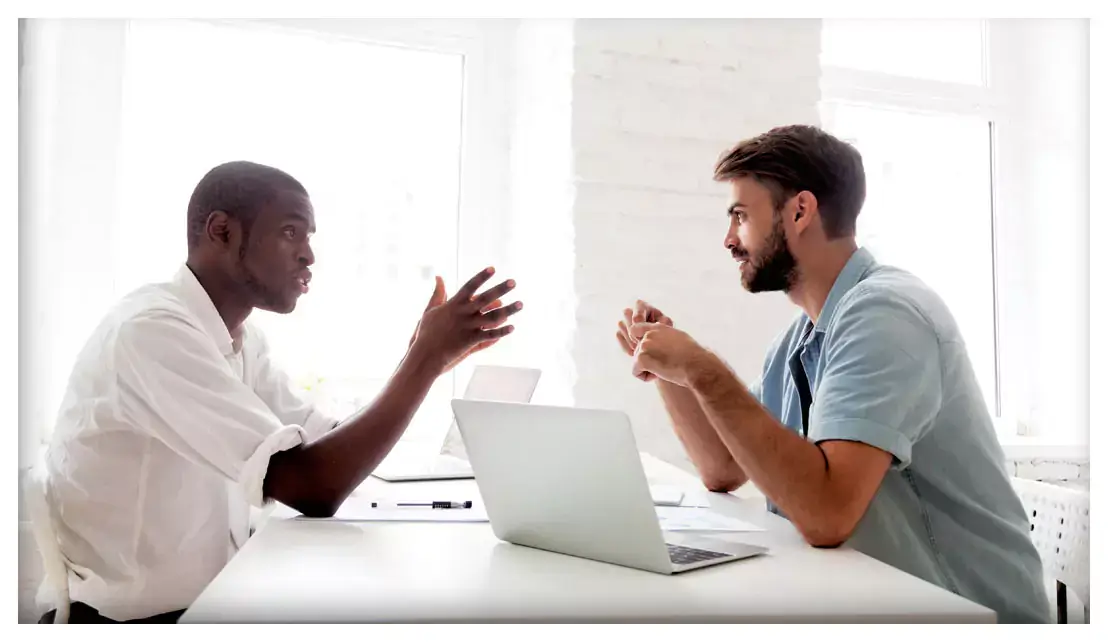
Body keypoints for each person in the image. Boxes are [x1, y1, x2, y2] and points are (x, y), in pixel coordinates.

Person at [37, 161, 523, 623]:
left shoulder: (238, 340)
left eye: (310, 237)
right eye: (291, 231)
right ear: (222, 232)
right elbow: (311, 486)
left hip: (210, 606)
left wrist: (420, 359)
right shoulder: (152, 333)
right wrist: (424, 362)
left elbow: (324, 445)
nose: (309, 254)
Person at [614, 125, 1049, 623]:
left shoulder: (887, 315)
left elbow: (827, 514)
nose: (729, 240)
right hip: (872, 600)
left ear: (800, 211)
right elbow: (723, 468)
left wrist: (700, 366)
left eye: (740, 215)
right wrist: (670, 370)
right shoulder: (801, 339)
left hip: (968, 612)